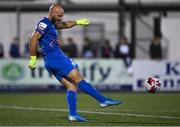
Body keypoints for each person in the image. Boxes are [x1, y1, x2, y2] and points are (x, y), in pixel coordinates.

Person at [28, 4, 121, 122]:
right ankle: (103, 100)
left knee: (71, 86)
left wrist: (78, 22)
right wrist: (32, 58)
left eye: (62, 16)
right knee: (78, 78)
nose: (60, 18)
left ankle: (73, 115)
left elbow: (63, 25)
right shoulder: (44, 23)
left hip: (50, 61)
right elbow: (33, 39)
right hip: (55, 57)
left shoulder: (52, 23)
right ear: (51, 13)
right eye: (59, 16)